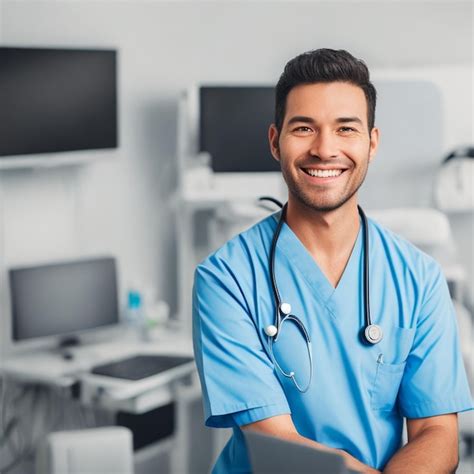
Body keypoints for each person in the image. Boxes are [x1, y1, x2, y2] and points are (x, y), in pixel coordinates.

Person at [192, 49, 472, 473]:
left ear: (371, 143)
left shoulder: (419, 278)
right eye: (304, 128)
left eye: (346, 129)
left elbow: (437, 432)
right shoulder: (226, 278)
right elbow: (276, 441)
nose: (325, 149)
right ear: (275, 141)